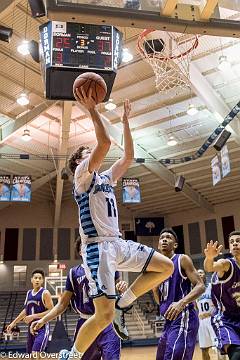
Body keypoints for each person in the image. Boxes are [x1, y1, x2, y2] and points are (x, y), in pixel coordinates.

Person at [62, 88, 174, 359]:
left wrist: (125, 121)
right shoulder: (81, 175)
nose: (92, 154)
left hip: (118, 244)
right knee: (103, 316)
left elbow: (128, 158)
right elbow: (104, 144)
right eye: (86, 152)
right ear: (79, 160)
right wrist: (91, 109)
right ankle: (73, 355)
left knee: (165, 267)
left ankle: (126, 301)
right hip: (97, 249)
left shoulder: (105, 178)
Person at [31, 237, 127, 360]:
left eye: (92, 245)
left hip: (108, 323)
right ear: (80, 251)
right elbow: (62, 305)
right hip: (85, 323)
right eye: (85, 245)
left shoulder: (109, 267)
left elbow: (119, 286)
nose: (89, 247)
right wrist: (43, 320)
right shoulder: (73, 273)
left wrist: (122, 286)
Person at [153, 227, 205, 360]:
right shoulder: (157, 267)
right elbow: (160, 301)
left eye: (168, 238)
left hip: (183, 316)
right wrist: (154, 288)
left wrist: (182, 303)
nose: (164, 239)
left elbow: (200, 286)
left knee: (175, 356)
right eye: (162, 238)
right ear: (158, 244)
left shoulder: (182, 259)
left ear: (175, 245)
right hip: (168, 321)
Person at [204, 233, 240, 360]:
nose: (235, 243)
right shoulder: (226, 264)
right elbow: (210, 267)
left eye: (238, 241)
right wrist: (209, 258)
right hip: (226, 319)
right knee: (237, 353)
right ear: (229, 247)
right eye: (232, 241)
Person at [7, 269, 54, 355]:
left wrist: (33, 316)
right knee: (30, 356)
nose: (37, 280)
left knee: (35, 354)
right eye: (35, 278)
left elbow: (52, 311)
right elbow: (25, 310)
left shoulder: (45, 293)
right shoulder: (29, 293)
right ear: (31, 279)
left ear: (43, 280)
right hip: (30, 329)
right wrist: (13, 323)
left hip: (42, 327)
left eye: (40, 278)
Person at [196, 269, 216, 360]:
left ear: (205, 275)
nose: (199, 274)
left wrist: (214, 313)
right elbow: (196, 307)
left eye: (201, 272)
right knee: (204, 349)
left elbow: (219, 301)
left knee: (219, 347)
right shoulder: (195, 291)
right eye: (198, 273)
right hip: (202, 322)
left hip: (212, 319)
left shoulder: (211, 287)